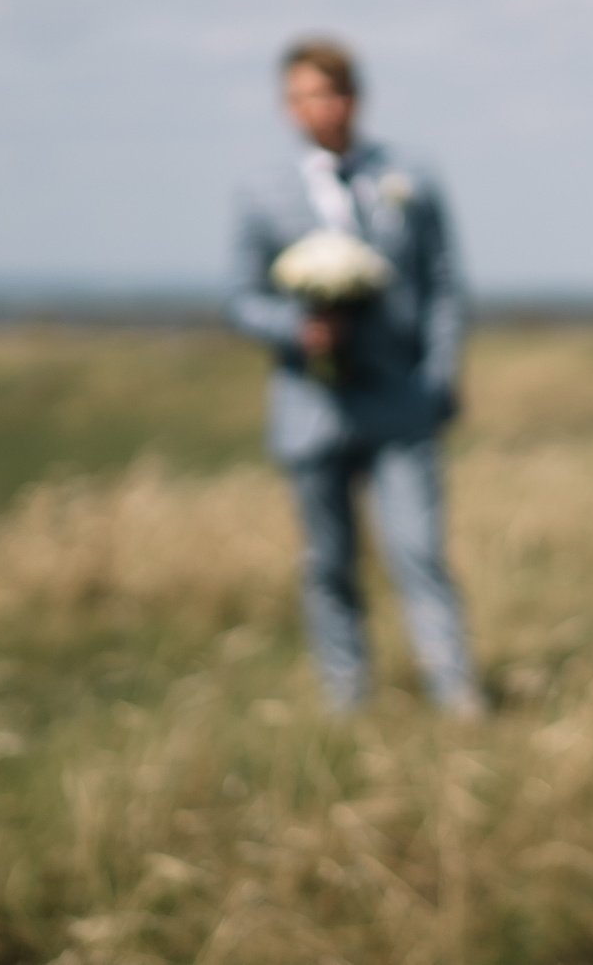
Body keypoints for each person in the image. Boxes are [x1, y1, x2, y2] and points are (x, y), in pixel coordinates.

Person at [231, 35, 483, 716]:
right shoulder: (263, 191)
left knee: (419, 552)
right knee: (328, 565)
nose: (319, 109)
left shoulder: (410, 175)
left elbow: (444, 285)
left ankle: (457, 697)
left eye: (330, 93)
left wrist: (439, 378)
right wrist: (298, 329)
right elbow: (244, 300)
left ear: (354, 98)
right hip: (311, 404)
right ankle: (348, 706)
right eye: (303, 97)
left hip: (400, 397)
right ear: (288, 107)